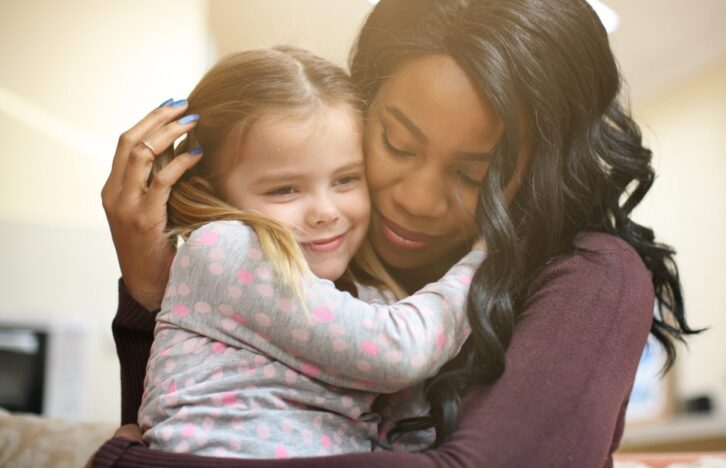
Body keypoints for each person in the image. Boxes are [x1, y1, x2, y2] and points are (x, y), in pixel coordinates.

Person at [94, 0, 697, 467]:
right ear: (362, 104)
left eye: (473, 174)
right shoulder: (324, 256)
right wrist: (152, 295)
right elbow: (196, 426)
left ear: (540, 173)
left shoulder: (593, 277)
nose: (415, 199)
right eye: (397, 144)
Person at [138, 46, 484, 458]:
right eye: (284, 189)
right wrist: (488, 255)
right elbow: (401, 353)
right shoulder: (220, 247)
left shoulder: (376, 302)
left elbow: (408, 440)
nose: (325, 212)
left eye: (346, 179)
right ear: (215, 192)